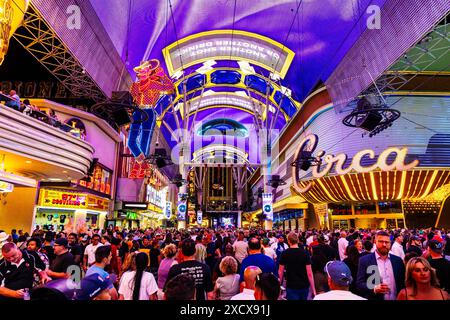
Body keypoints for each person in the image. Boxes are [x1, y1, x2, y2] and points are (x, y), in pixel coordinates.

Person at [356, 231, 405, 300]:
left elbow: (403, 283)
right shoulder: (365, 260)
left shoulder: (397, 261)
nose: (384, 244)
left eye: (387, 242)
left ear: (390, 243)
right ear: (375, 242)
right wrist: (374, 288)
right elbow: (359, 284)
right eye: (381, 241)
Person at [279, 232, 316, 300]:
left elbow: (280, 272)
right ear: (298, 240)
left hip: (291, 285)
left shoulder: (284, 253)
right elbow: (309, 273)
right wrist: (313, 290)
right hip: (304, 285)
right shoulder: (305, 253)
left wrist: (279, 286)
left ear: (288, 241)